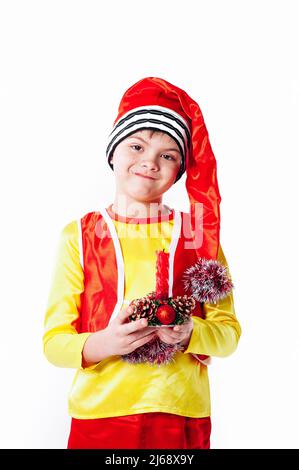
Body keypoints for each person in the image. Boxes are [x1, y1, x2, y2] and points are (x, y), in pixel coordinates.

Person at [43, 76, 241, 449]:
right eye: (136, 146)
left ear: (180, 169)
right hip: (99, 417)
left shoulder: (199, 236)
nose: (149, 163)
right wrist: (106, 342)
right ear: (113, 151)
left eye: (167, 155)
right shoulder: (80, 235)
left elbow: (228, 334)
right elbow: (54, 343)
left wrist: (190, 334)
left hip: (182, 414)